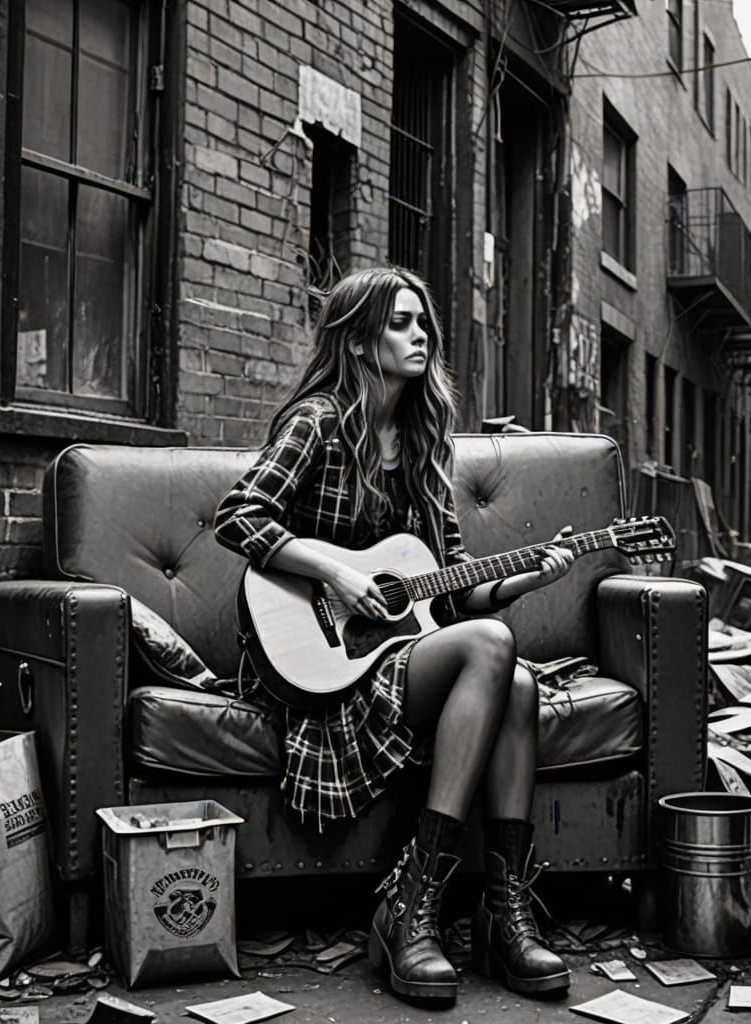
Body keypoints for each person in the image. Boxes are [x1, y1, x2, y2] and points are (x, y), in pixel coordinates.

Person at [214, 266, 575, 1002]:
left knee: (518, 680)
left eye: (425, 325)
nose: (422, 337)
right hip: (314, 664)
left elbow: (457, 582)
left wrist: (530, 577)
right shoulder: (317, 421)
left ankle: (502, 916)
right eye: (402, 323)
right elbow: (238, 517)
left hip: (395, 659)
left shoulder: (423, 442)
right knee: (493, 649)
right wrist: (338, 575)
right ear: (356, 338)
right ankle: (415, 907)